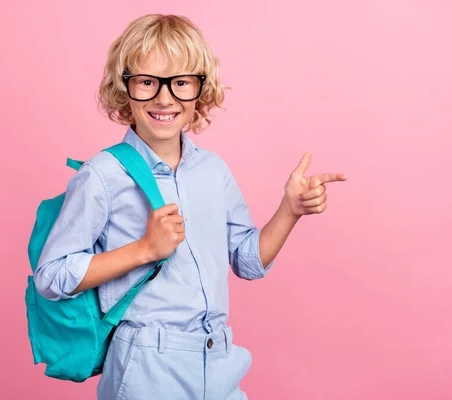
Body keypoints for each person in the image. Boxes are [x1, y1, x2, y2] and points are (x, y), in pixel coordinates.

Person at [34, 13, 347, 400]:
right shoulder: (103, 175)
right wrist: (144, 250)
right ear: (124, 88)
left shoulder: (213, 170)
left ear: (201, 89)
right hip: (146, 362)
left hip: (218, 357)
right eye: (147, 82)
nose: (165, 98)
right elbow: (51, 277)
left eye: (181, 83)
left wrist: (289, 210)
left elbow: (247, 261)